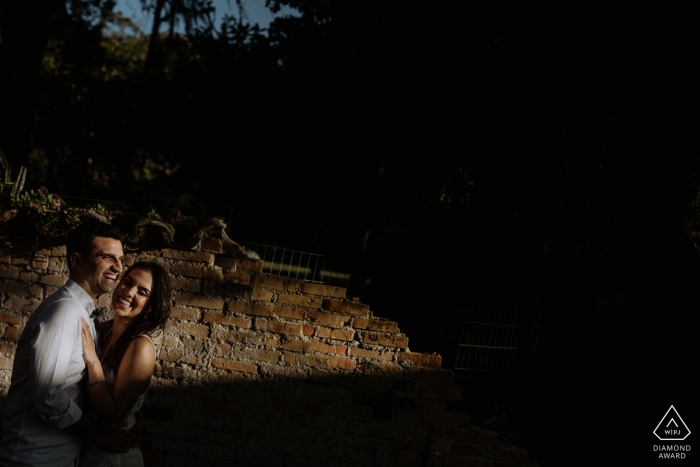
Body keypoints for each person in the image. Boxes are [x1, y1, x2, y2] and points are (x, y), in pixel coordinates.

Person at [0, 222, 136, 467]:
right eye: (107, 257)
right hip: (34, 458)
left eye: (120, 258)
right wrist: (96, 433)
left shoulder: (84, 313)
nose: (118, 267)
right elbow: (47, 394)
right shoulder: (65, 311)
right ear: (77, 261)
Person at [79, 261, 171, 466]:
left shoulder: (141, 347)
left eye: (142, 292)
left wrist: (93, 361)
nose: (129, 292)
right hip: (83, 449)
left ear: (150, 307)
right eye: (127, 282)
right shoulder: (103, 330)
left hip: (114, 457)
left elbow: (111, 419)